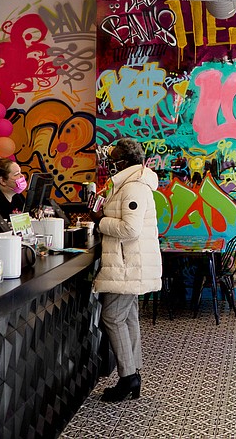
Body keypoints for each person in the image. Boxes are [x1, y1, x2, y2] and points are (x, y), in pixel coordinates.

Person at [91, 138, 162, 402]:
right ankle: (132, 371)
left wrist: (101, 221)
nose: (109, 164)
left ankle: (128, 376)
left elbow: (130, 229)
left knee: (112, 316)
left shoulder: (132, 188)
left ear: (123, 162)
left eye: (113, 159)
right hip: (129, 263)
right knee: (128, 315)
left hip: (127, 264)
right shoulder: (132, 184)